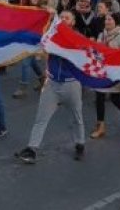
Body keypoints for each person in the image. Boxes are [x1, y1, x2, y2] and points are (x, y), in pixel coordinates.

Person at [15, 11, 86, 163]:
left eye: (67, 17)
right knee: (41, 117)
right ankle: (32, 149)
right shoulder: (51, 36)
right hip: (53, 84)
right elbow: (42, 49)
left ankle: (80, 144)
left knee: (76, 117)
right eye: (62, 17)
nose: (64, 19)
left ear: (73, 22)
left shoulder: (78, 38)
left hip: (71, 84)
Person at [90, 13, 120, 139]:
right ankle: (101, 126)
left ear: (116, 22)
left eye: (110, 19)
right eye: (106, 19)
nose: (107, 21)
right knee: (99, 97)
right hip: (102, 70)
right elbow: (97, 50)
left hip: (114, 72)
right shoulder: (102, 35)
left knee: (115, 99)